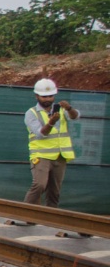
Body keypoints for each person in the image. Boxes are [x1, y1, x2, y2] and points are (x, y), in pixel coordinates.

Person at [24, 78, 80, 207]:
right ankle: (25, 212)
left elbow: (75, 116)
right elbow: (40, 134)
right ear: (37, 96)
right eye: (44, 96)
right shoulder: (31, 113)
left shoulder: (62, 110)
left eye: (50, 96)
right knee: (39, 185)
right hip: (41, 155)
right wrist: (51, 122)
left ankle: (50, 215)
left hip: (60, 155)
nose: (48, 99)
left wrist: (69, 108)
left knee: (54, 191)